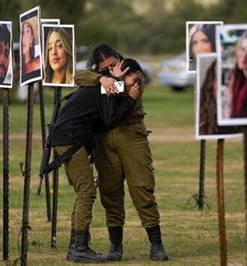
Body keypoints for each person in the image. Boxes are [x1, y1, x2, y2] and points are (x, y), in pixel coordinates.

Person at [75, 44, 169, 262]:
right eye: (105, 68)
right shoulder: (101, 78)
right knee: (110, 191)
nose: (111, 69)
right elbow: (77, 77)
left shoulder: (130, 68)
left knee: (142, 187)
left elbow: (131, 84)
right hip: (105, 138)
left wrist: (112, 81)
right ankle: (115, 246)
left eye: (113, 64)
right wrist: (101, 79)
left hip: (131, 133)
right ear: (97, 68)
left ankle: (157, 245)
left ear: (119, 58)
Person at [49, 59, 141, 263]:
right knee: (87, 191)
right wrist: (131, 100)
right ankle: (79, 247)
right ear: (124, 74)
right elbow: (110, 119)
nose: (137, 85)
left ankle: (77, 244)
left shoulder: (108, 84)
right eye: (136, 79)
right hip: (70, 137)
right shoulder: (109, 85)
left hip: (66, 136)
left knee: (84, 190)